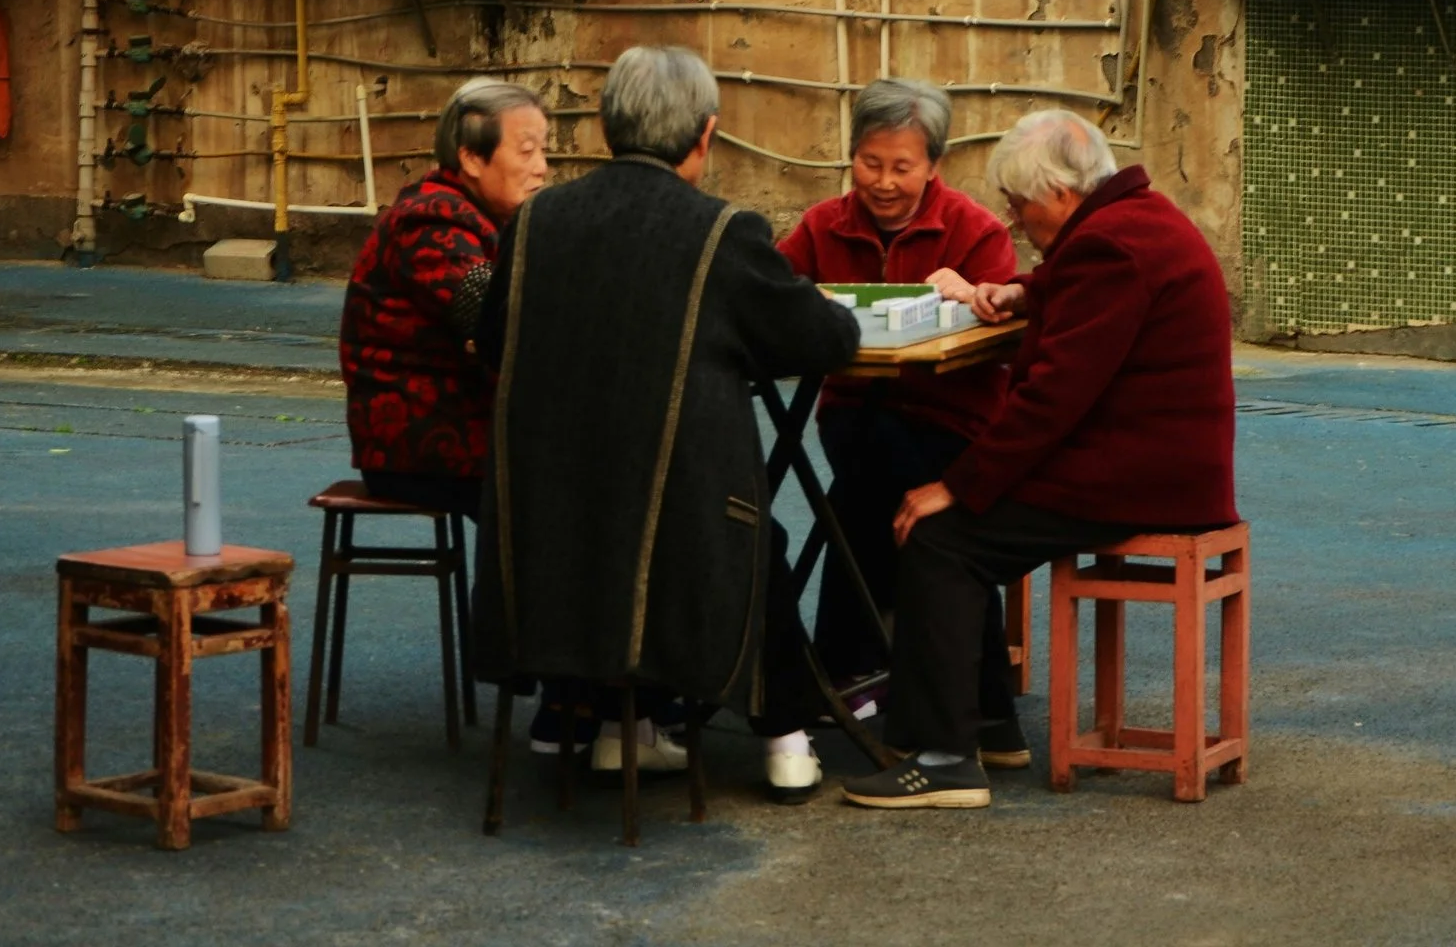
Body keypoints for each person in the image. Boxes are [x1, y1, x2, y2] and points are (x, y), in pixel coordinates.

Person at [474, 45, 863, 802]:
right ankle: (785, 736)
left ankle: (625, 728)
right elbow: (824, 340)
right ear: (705, 135)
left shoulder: (535, 221)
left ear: (606, 123)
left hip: (541, 521)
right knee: (757, 534)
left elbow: (493, 340)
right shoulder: (721, 231)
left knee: (685, 517)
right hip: (674, 527)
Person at [839, 109, 1238, 810]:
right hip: (1156, 464)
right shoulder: (1135, 222)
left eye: (1020, 205)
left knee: (938, 536)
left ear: (1059, 193)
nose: (1016, 220)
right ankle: (989, 723)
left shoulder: (1107, 248)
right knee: (956, 523)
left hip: (1130, 477)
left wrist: (957, 486)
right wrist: (1026, 290)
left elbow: (1051, 399)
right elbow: (1078, 292)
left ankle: (943, 757)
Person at [776, 77, 1029, 765]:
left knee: (870, 496)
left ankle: (846, 664)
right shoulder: (822, 225)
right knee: (879, 469)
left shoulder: (974, 230)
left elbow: (1003, 329)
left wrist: (971, 297)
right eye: (870, 163)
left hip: (952, 422)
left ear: (934, 166)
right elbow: (769, 291)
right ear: (851, 155)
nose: (883, 183)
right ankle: (989, 718)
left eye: (902, 168)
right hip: (855, 416)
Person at [338, 79, 549, 515]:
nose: (542, 167)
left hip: (464, 429)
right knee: (573, 487)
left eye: (542, 151)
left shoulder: (485, 217)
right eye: (526, 151)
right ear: (471, 157)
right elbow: (499, 312)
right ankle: (512, 586)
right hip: (421, 443)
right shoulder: (431, 220)